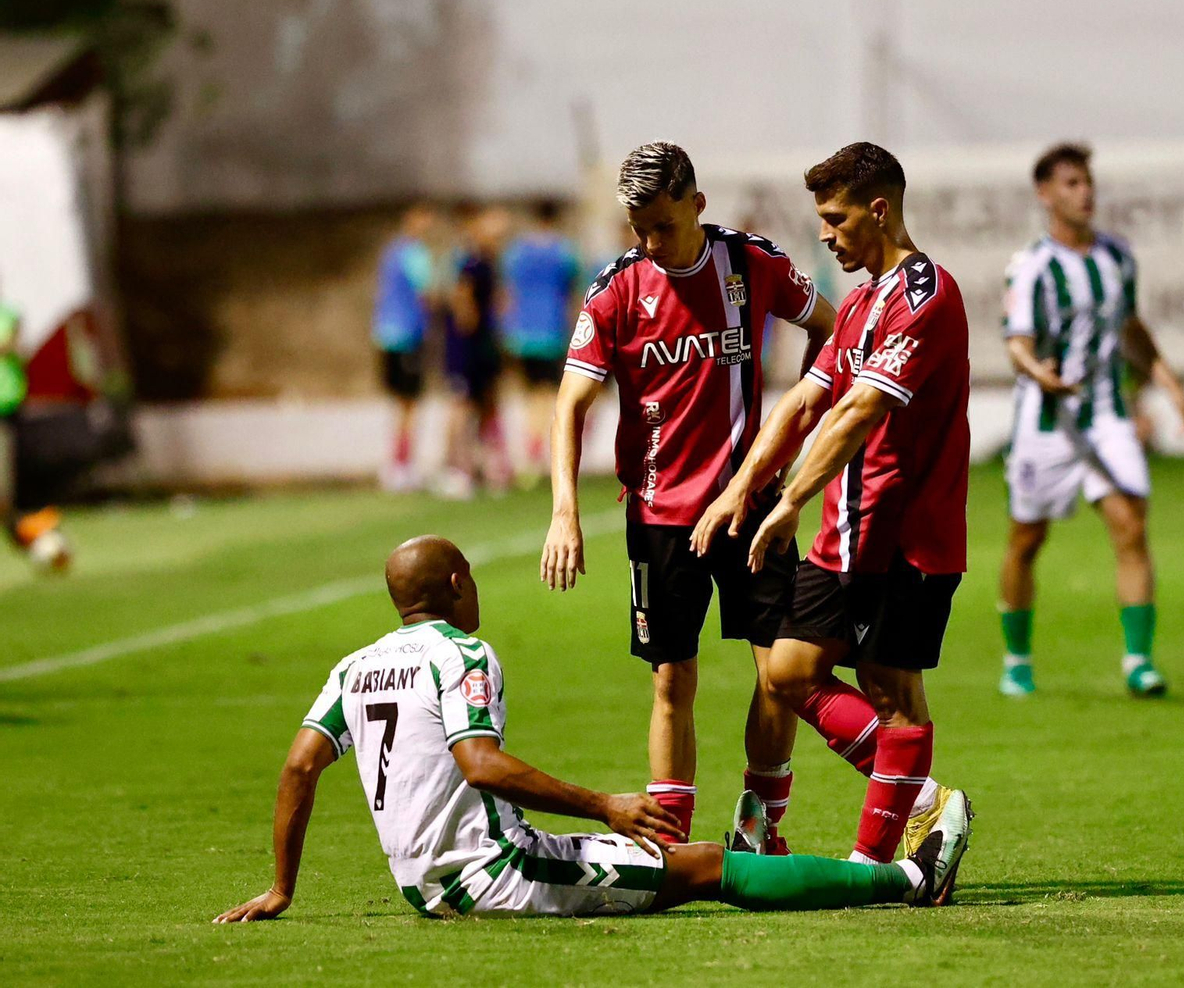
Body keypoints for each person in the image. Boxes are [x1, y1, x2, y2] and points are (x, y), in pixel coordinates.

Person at [213, 535, 969, 922]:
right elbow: (479, 763)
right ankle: (905, 879)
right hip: (498, 873)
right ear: (456, 584)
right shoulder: (462, 654)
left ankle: (799, 854)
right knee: (705, 867)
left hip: (423, 883)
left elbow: (299, 767)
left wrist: (283, 887)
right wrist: (605, 804)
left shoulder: (355, 667)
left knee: (667, 856)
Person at [540, 142, 837, 849]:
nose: (650, 243)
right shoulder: (615, 290)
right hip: (659, 516)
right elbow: (570, 404)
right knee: (672, 680)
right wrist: (564, 512)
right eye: (638, 229)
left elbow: (828, 326)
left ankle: (760, 828)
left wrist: (795, 422)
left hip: (750, 506)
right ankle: (670, 844)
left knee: (780, 673)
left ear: (697, 205)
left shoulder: (750, 263)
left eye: (663, 226)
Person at [693, 142, 972, 893]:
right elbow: (807, 403)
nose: (826, 233)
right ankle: (927, 801)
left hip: (907, 535)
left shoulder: (925, 295)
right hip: (845, 533)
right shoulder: (856, 304)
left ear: (878, 210)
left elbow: (859, 411)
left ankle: (874, 866)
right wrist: (742, 485)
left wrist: (788, 500)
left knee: (890, 690)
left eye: (836, 218)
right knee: (787, 670)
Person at [995, 143, 1184, 699]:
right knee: (1027, 539)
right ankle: (1017, 659)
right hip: (1047, 423)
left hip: (1107, 416)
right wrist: (1038, 371)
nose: (1085, 193)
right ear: (1045, 194)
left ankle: (1139, 661)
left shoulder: (1116, 256)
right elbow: (1016, 342)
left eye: (1087, 182)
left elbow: (1130, 327)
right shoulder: (1032, 266)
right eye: (1071, 183)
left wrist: (1168, 381)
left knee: (1130, 524)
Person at [501, 200, 586, 481]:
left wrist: (507, 328)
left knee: (529, 395)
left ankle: (530, 453)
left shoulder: (517, 252)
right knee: (550, 395)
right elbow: (575, 294)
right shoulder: (564, 252)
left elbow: (508, 294)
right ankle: (540, 453)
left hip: (522, 334)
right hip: (552, 332)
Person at [440, 207, 512, 500]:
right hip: (468, 348)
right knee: (461, 406)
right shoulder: (469, 265)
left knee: (486, 407)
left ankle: (482, 466)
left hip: (483, 347)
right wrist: (469, 333)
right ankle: (454, 468)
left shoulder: (489, 265)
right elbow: (462, 301)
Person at [371, 203, 437, 493]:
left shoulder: (390, 252)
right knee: (409, 403)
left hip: (386, 333)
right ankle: (402, 464)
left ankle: (396, 463)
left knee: (399, 401)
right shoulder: (416, 254)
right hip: (408, 334)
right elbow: (427, 294)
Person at [0, 295, 69, 571]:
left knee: (8, 490)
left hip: (6, 413)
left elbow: (13, 345)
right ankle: (35, 537)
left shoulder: (7, 314)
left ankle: (36, 536)